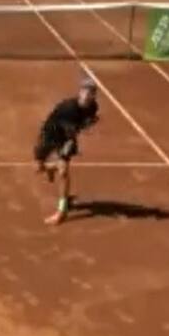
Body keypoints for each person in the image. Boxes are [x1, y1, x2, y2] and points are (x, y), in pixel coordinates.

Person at [34, 78, 101, 226]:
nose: (87, 94)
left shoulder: (93, 107)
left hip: (67, 137)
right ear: (80, 92)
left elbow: (86, 122)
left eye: (91, 92)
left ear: (93, 95)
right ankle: (51, 168)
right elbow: (70, 128)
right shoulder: (68, 108)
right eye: (85, 91)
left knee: (64, 172)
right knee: (38, 168)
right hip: (50, 133)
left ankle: (61, 211)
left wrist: (87, 124)